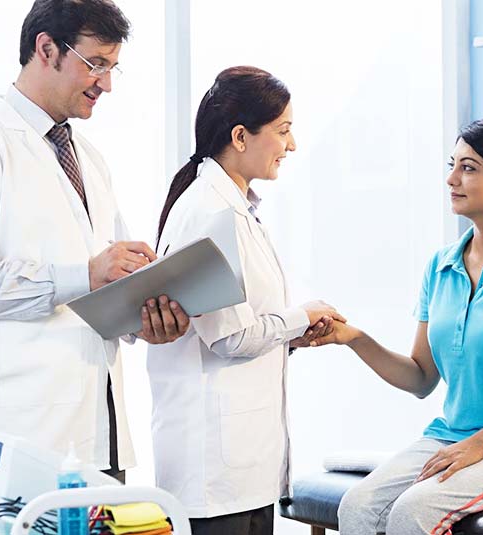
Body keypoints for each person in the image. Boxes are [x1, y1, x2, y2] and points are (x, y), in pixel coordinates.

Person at [0, 0, 189, 483]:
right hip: (23, 441)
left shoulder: (89, 160)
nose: (106, 84)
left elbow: (112, 280)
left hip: (101, 438)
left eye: (112, 67)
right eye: (95, 64)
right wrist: (84, 275)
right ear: (46, 49)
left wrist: (148, 318)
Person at [311, 117, 483, 535]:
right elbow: (421, 377)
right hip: (454, 436)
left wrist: (480, 444)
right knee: (358, 506)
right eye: (452, 164)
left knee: (414, 510)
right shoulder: (441, 266)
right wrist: (353, 338)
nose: (451, 179)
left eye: (469, 168)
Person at [147, 66, 345, 535]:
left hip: (243, 467)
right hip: (212, 474)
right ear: (240, 136)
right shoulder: (209, 211)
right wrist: (300, 317)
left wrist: (291, 336)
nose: (291, 145)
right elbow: (229, 337)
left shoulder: (235, 209)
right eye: (283, 130)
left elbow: (239, 324)